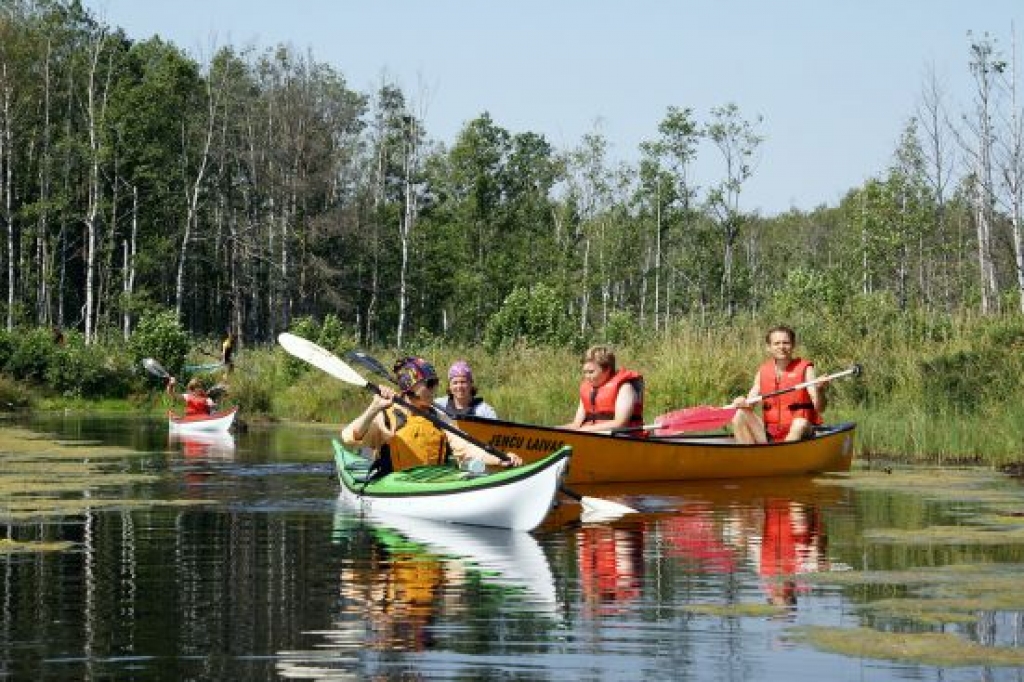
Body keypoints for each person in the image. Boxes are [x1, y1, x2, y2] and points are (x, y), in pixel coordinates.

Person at [341, 356, 521, 476]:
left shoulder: (439, 417)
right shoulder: (386, 415)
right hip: (396, 482)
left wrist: (499, 459)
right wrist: (373, 409)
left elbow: (467, 449)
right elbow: (350, 437)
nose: (435, 388)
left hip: (433, 479)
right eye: (430, 383)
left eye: (436, 383)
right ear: (410, 387)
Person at [731, 325, 826, 444]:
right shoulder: (763, 371)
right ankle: (749, 454)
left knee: (799, 423)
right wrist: (741, 402)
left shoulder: (806, 369)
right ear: (769, 347)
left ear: (793, 345)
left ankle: (782, 453)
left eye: (786, 343)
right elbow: (749, 404)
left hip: (802, 430)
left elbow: (820, 408)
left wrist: (820, 390)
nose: (781, 347)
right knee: (739, 414)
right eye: (777, 343)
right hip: (770, 433)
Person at [562, 345, 645, 432]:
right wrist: (554, 430)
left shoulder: (625, 388)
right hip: (590, 434)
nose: (587, 376)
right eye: (585, 372)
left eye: (591, 372)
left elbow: (620, 423)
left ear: (607, 370)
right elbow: (576, 425)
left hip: (621, 435)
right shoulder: (588, 389)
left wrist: (585, 430)